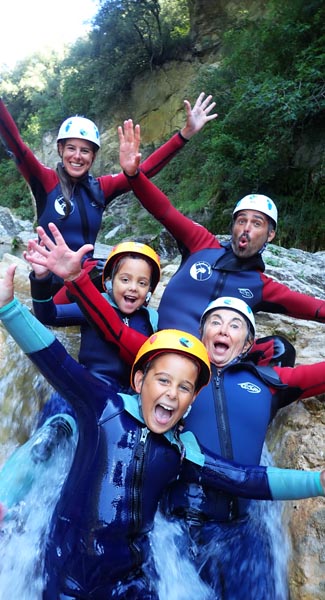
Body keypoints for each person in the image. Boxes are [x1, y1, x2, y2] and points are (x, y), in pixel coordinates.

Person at [24, 228, 325, 598]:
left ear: (249, 344)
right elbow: (106, 333)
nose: (223, 329)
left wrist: (317, 482)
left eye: (234, 325)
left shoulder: (266, 385)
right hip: (170, 524)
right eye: (214, 321)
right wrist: (73, 280)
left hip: (234, 525)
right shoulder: (145, 390)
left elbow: (246, 479)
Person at [117, 120, 325, 341]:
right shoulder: (200, 243)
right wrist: (134, 176)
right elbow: (164, 210)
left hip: (206, 366)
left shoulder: (261, 287)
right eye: (241, 220)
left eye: (256, 224)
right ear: (233, 226)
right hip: (160, 349)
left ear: (270, 235)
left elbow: (313, 308)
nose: (246, 229)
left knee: (279, 347)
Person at [0, 92, 217, 299]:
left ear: (93, 156)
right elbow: (16, 145)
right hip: (48, 279)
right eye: (71, 148)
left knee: (122, 268)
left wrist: (185, 134)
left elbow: (144, 171)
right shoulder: (45, 181)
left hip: (82, 279)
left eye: (85, 151)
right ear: (60, 150)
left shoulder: (101, 189)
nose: (77, 156)